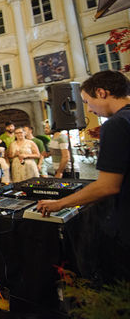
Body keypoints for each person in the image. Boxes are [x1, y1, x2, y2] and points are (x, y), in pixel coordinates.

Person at [37, 70, 130, 283]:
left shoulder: (116, 124)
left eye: (87, 101)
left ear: (102, 92)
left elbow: (107, 186)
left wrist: (60, 203)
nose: (88, 109)